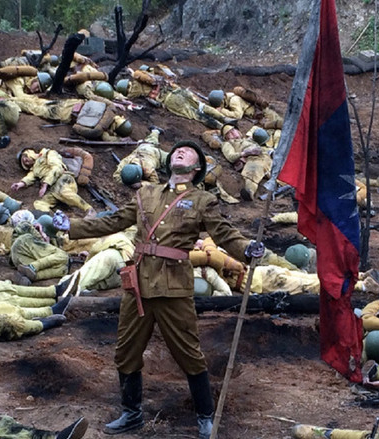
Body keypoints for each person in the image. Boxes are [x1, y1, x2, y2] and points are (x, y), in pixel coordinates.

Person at [51, 140, 265, 438]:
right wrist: (71, 227)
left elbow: (224, 234)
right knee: (126, 351)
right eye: (177, 150)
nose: (180, 151)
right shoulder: (146, 193)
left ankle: (205, 417)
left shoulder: (202, 200)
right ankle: (131, 414)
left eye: (188, 152)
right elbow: (113, 221)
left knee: (188, 353)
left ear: (196, 168)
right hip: (137, 286)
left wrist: (247, 249)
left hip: (173, 288)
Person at [11, 147, 94, 215]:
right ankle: (54, 219)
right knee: (39, 204)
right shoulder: (34, 169)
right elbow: (30, 177)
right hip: (53, 188)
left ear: (29, 152)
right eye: (24, 163)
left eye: (25, 158)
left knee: (64, 192)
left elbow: (57, 167)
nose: (26, 162)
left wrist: (45, 184)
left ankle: (89, 209)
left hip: (63, 179)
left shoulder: (47, 153)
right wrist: (20, 184)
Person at [10, 215, 70, 286]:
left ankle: (30, 276)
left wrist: (47, 242)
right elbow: (19, 230)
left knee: (64, 269)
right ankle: (32, 267)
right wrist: (40, 233)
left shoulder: (46, 241)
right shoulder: (28, 227)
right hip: (24, 245)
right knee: (64, 256)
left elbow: (54, 257)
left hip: (23, 261)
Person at [219, 124, 273, 201]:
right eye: (229, 133)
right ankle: (249, 190)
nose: (233, 133)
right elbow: (230, 156)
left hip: (266, 154)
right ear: (226, 137)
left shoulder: (248, 139)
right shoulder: (227, 144)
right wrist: (245, 153)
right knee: (253, 170)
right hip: (253, 158)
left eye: (233, 130)